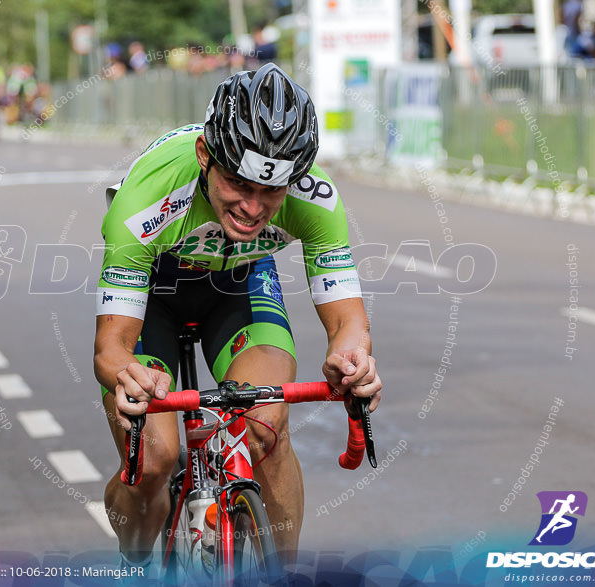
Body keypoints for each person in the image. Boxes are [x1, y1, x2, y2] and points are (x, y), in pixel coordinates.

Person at [93, 63, 382, 574]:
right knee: (155, 460)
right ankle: (136, 558)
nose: (252, 207)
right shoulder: (146, 201)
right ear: (206, 156)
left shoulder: (315, 199)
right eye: (236, 184)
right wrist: (130, 376)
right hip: (155, 292)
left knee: (265, 426)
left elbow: (348, 324)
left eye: (270, 192)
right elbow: (111, 348)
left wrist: (353, 360)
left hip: (239, 284)